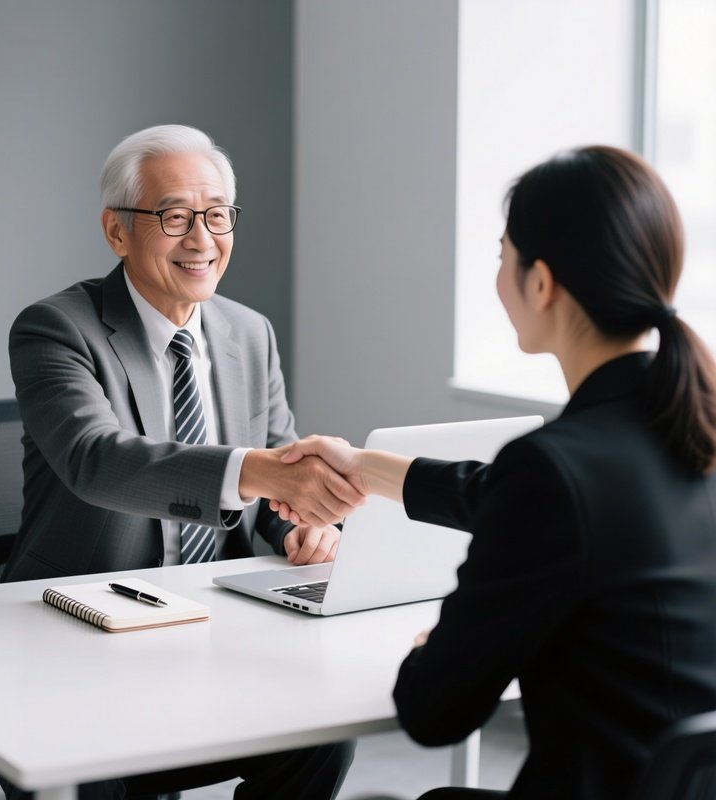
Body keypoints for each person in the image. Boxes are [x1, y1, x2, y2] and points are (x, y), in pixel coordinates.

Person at [276, 146, 716, 799]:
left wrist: (443, 641)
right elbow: (506, 499)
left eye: (502, 253)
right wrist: (363, 468)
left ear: (541, 283)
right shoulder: (686, 429)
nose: (499, 274)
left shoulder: (555, 470)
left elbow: (433, 712)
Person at [0, 124, 358, 799]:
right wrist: (258, 470)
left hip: (220, 625)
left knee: (326, 730)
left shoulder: (250, 333)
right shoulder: (56, 329)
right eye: (174, 216)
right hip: (83, 636)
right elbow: (96, 460)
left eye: (216, 215)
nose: (202, 239)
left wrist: (302, 529)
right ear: (117, 231)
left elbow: (273, 487)